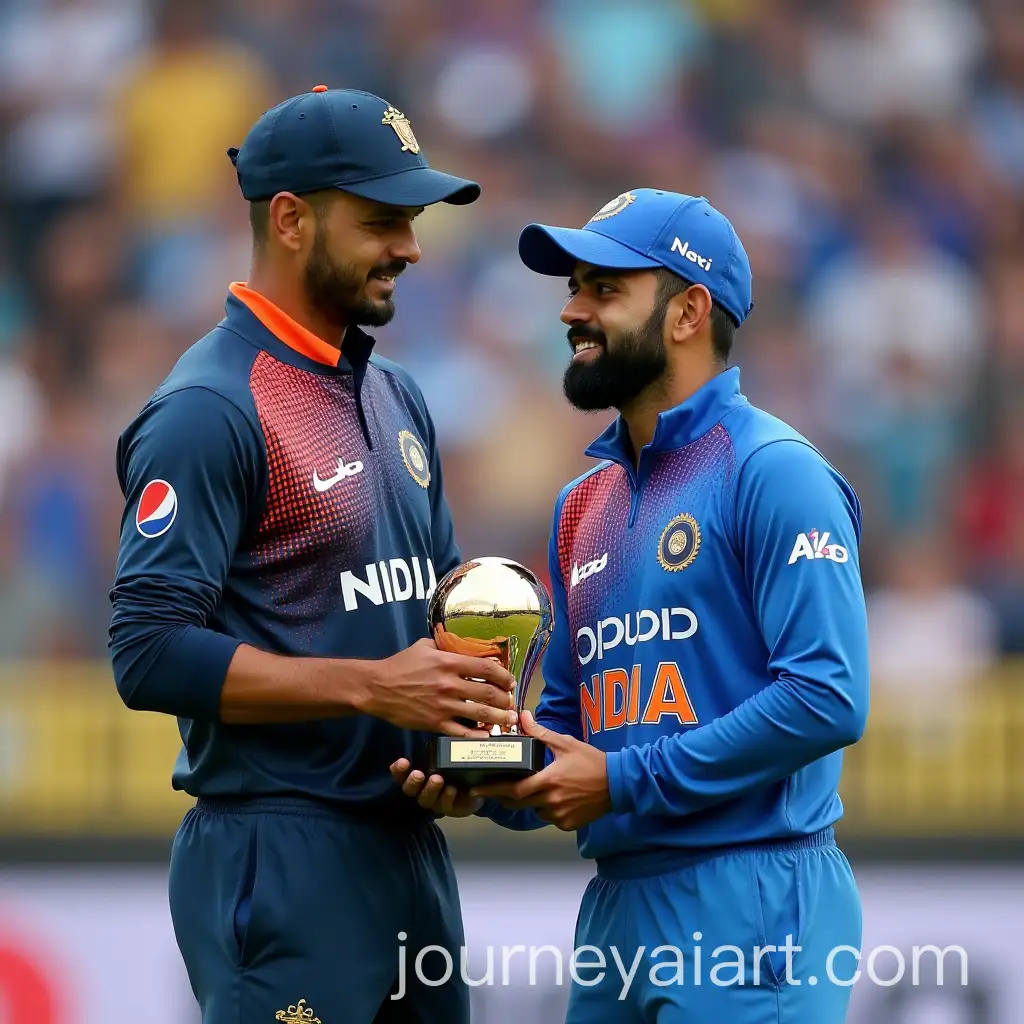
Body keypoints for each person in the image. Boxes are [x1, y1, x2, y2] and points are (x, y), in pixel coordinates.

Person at [392, 188, 870, 1022]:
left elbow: (827, 696)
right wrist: (499, 779)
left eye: (604, 290)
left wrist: (619, 780)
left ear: (688, 313)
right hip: (617, 906)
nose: (573, 310)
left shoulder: (773, 471)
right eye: (574, 287)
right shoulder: (585, 504)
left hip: (753, 893)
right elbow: (577, 726)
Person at [108, 86, 518, 1024]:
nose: (409, 248)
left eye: (411, 222)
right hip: (278, 848)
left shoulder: (398, 395)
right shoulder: (210, 409)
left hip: (410, 848)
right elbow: (146, 651)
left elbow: (440, 623)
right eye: (382, 221)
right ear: (289, 219)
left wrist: (468, 753)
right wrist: (375, 689)